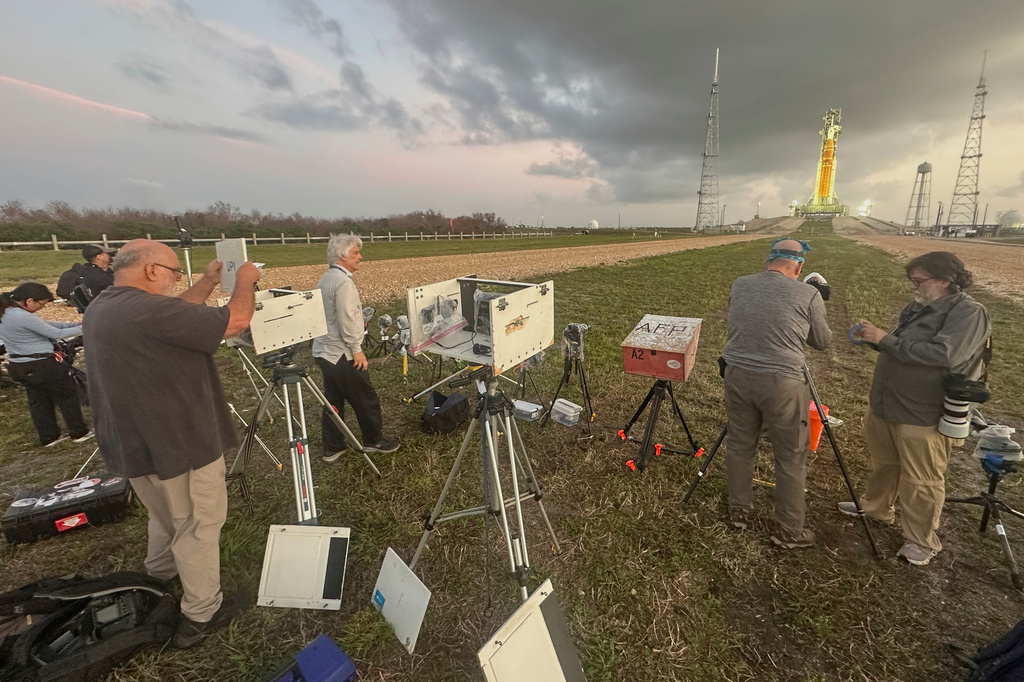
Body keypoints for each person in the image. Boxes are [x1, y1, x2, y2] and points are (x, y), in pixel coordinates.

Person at [83, 239, 260, 648]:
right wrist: (245, 281)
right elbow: (233, 322)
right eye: (172, 272)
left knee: (164, 515)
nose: (174, 280)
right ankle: (201, 613)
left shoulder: (107, 305)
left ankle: (159, 576)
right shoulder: (147, 309)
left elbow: (174, 314)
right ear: (150, 270)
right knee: (198, 524)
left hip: (135, 444)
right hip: (178, 443)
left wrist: (204, 282)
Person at [842, 251, 990, 566]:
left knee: (921, 479)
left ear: (945, 280)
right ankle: (876, 507)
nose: (914, 287)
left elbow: (944, 355)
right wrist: (875, 338)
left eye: (919, 281)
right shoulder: (920, 307)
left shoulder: (969, 313)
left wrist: (885, 340)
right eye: (912, 280)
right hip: (888, 404)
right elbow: (903, 345)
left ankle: (921, 541)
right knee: (887, 463)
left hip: (922, 412)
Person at [721, 238, 832, 549]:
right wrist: (818, 301)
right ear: (799, 266)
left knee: (741, 445)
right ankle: (787, 529)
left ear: (768, 260)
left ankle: (739, 511)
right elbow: (822, 342)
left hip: (737, 373)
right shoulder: (808, 293)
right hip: (783, 382)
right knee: (790, 456)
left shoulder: (740, 284)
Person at [313, 234, 400, 462]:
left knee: (333, 400)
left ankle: (332, 447)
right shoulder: (343, 282)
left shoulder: (326, 278)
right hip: (342, 353)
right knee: (365, 398)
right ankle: (373, 440)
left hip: (324, 351)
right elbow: (347, 318)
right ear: (343, 256)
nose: (360, 257)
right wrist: (356, 349)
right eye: (355, 253)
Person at [0, 282, 92, 446]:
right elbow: (56, 333)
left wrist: (75, 325)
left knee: (39, 400)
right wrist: (87, 327)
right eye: (41, 304)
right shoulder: (23, 316)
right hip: (42, 364)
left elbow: (47, 325)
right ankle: (79, 432)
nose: (41, 308)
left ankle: (49, 437)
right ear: (29, 301)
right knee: (67, 396)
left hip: (18, 364)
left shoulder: (7, 313)